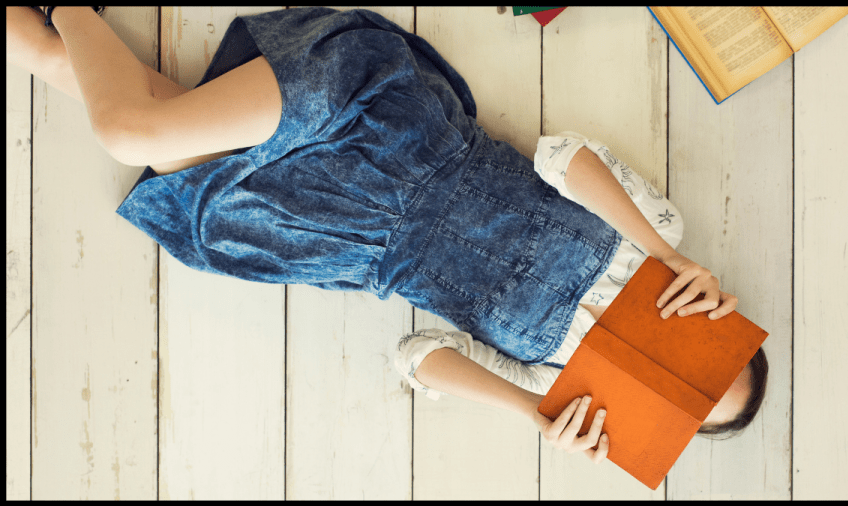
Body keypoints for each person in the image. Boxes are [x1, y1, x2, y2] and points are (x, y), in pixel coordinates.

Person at [8, 7, 754, 465]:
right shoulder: (657, 239)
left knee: (95, 90)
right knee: (132, 127)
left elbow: (418, 358)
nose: (683, 375)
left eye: (691, 401)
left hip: (343, 230)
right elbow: (560, 154)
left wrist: (537, 416)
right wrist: (663, 255)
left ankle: (66, 24)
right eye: (712, 369)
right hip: (392, 133)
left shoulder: (559, 388)